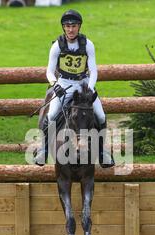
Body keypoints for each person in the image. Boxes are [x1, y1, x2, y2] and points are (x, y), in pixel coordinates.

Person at [34, 9, 115, 168]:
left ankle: (102, 152)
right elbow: (49, 71)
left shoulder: (88, 44)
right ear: (63, 27)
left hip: (83, 83)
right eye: (67, 26)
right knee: (50, 116)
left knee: (101, 115)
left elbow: (93, 70)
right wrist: (55, 85)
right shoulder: (57, 45)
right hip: (63, 84)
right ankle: (43, 149)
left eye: (74, 26)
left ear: (79, 27)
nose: (70, 29)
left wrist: (89, 89)